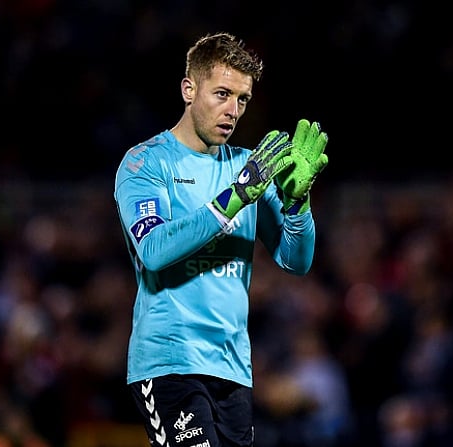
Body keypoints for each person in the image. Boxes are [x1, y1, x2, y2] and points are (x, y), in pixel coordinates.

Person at [113, 31, 329, 447]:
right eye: (223, 94)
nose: (233, 111)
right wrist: (233, 197)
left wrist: (298, 205)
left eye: (242, 100)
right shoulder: (146, 163)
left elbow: (295, 260)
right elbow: (155, 252)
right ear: (189, 89)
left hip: (232, 368)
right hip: (169, 364)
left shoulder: (248, 166)